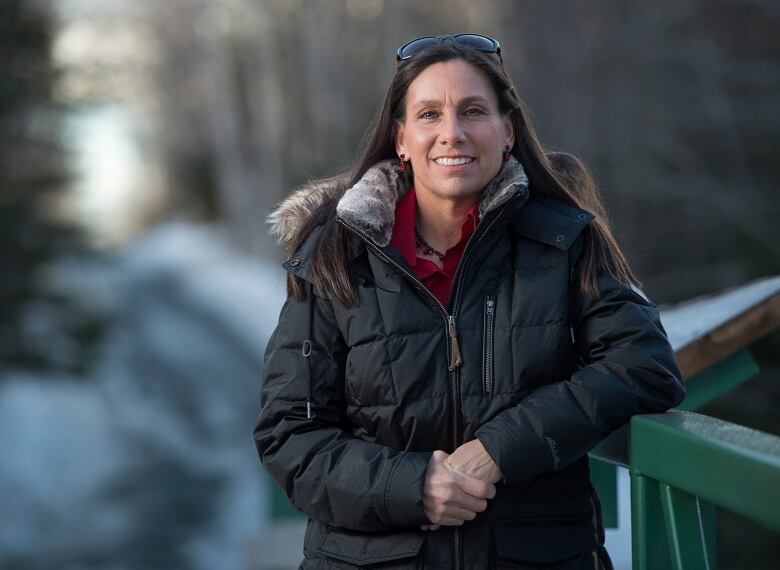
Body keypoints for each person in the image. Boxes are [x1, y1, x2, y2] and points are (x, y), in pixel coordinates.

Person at [254, 34, 685, 570]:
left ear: (507, 132)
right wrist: (414, 486)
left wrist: (501, 449)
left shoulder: (565, 241)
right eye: (429, 114)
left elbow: (644, 365)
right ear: (402, 140)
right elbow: (290, 434)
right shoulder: (333, 257)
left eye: (473, 111)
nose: (451, 133)